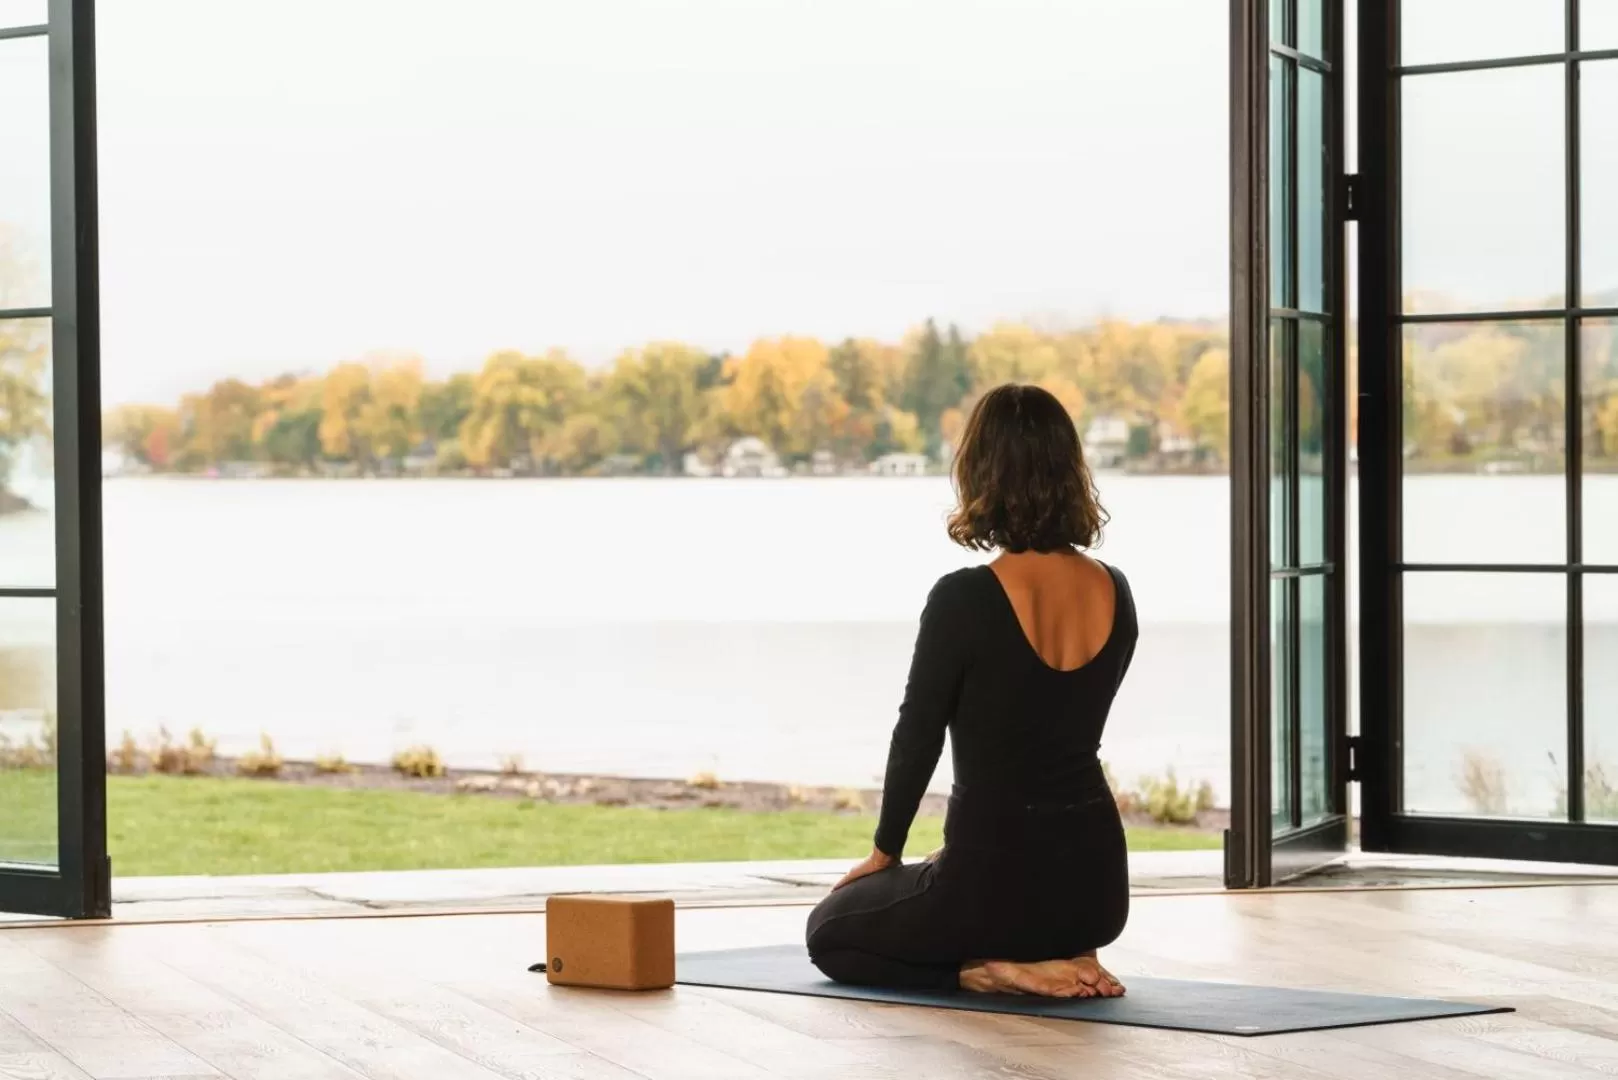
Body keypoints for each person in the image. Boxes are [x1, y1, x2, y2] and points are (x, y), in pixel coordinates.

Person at [804, 383, 1137, 999]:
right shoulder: (1114, 590)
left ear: (981, 473)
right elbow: (1054, 730)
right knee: (951, 880)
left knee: (829, 931)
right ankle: (1051, 953)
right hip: (1096, 893)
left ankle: (987, 971)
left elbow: (918, 734)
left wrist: (884, 854)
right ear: (1071, 470)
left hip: (993, 887)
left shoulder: (963, 597)